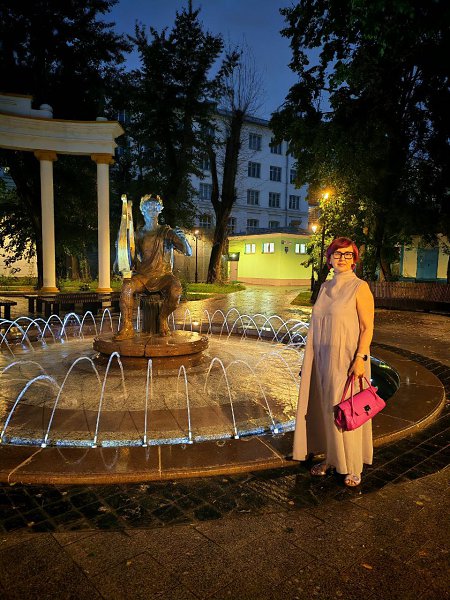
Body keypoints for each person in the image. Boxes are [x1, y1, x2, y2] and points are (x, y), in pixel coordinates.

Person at [293, 237, 375, 487]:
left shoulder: (360, 287)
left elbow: (367, 327)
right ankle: (332, 458)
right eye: (337, 254)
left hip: (348, 358)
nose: (342, 258)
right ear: (329, 258)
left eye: (347, 254)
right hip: (322, 358)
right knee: (326, 408)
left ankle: (353, 465)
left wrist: (360, 358)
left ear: (354, 259)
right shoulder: (325, 288)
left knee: (346, 410)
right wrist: (308, 362)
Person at [114, 195, 192, 340]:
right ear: (142, 210)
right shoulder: (137, 235)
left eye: (155, 207)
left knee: (176, 291)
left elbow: (188, 252)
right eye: (148, 207)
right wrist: (120, 249)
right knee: (127, 287)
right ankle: (127, 327)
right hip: (144, 276)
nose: (152, 210)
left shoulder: (167, 232)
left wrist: (183, 240)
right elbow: (124, 264)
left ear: (160, 210)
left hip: (164, 276)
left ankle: (162, 318)